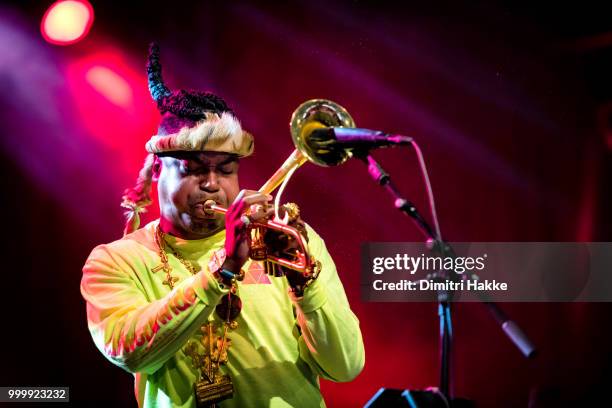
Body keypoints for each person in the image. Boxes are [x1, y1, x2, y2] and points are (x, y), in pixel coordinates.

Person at [80, 44, 365, 408]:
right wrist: (224, 270)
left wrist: (305, 286)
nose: (213, 183)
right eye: (194, 169)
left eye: (226, 169)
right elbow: (131, 352)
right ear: (156, 171)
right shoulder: (113, 261)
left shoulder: (291, 241)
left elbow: (346, 367)